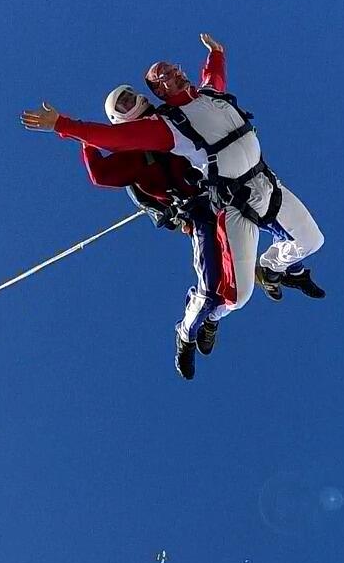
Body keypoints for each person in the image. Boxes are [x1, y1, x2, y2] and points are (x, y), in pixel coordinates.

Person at [22, 34, 324, 321]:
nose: (174, 73)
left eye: (173, 68)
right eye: (164, 75)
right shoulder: (162, 128)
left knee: (311, 240)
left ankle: (272, 269)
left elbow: (214, 79)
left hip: (262, 183)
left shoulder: (207, 97)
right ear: (158, 91)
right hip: (221, 204)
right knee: (230, 292)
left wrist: (216, 54)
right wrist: (67, 127)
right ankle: (202, 319)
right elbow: (110, 145)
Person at [77, 85, 233, 380]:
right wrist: (87, 138)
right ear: (118, 119)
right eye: (124, 104)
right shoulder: (133, 153)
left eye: (130, 96)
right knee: (211, 285)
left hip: (224, 197)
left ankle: (214, 317)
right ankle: (186, 334)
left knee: (235, 285)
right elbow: (100, 173)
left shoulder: (170, 118)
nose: (132, 102)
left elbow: (205, 111)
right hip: (197, 211)